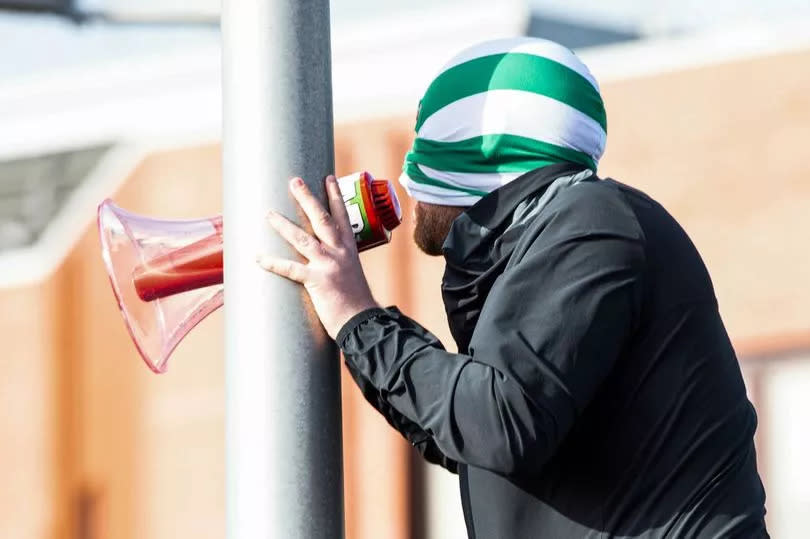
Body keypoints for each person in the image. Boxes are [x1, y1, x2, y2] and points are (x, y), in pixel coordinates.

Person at [257, 37, 768, 538]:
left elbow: (498, 422)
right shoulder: (559, 242)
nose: (408, 182)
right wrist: (355, 326)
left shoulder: (593, 222)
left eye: (427, 143)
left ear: (475, 158)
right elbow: (471, 441)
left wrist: (356, 315)